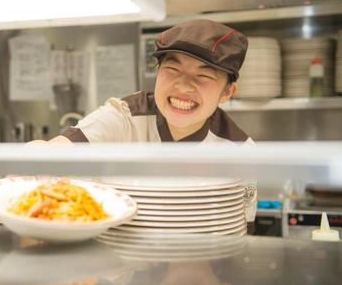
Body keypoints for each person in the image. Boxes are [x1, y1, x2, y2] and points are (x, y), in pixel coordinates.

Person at [30, 19, 257, 231]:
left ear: (228, 91)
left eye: (204, 76)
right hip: (118, 263)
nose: (184, 86)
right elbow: (65, 146)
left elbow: (244, 225)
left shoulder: (241, 151)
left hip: (201, 265)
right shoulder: (125, 116)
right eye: (173, 69)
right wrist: (40, 154)